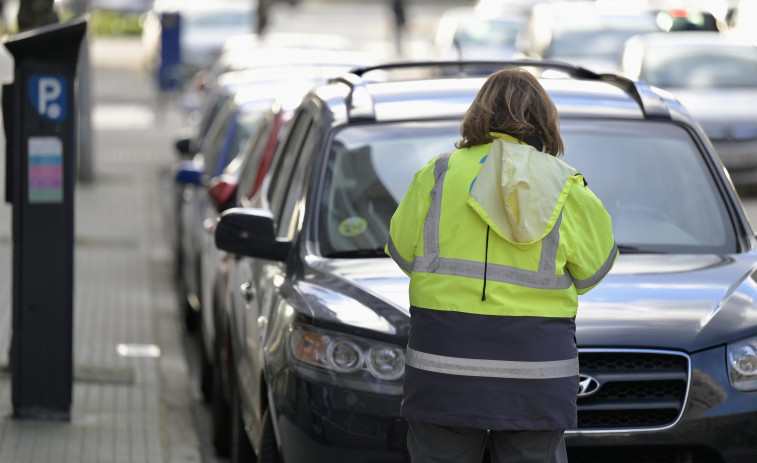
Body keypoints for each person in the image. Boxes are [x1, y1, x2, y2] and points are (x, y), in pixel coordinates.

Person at [385, 68, 617, 463]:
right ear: (545, 118)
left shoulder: (438, 174)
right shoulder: (566, 185)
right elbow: (593, 270)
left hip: (444, 367)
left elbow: (405, 254)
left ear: (479, 113)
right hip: (535, 372)